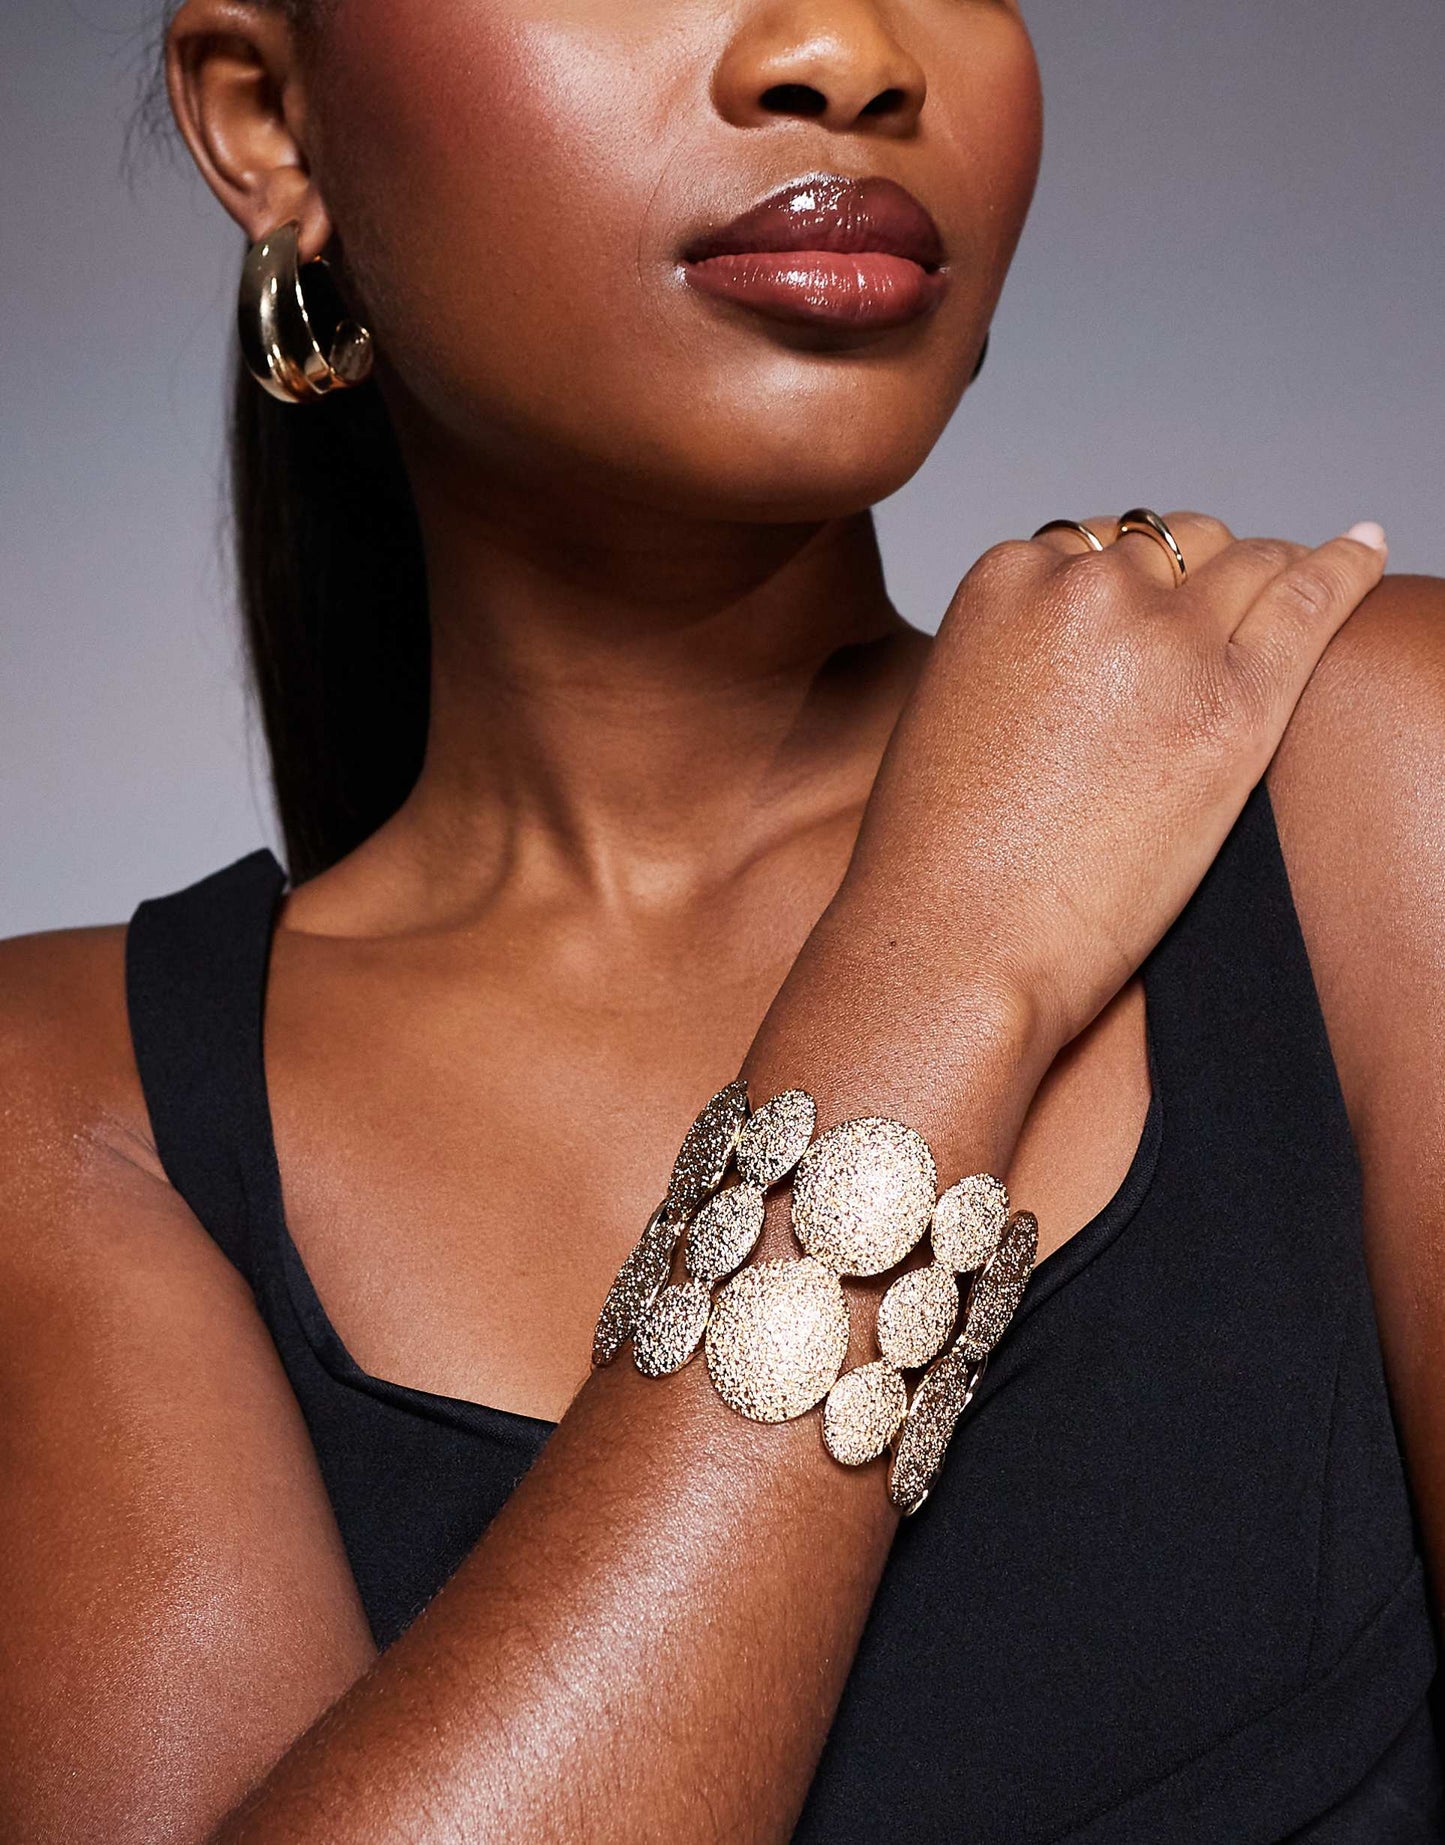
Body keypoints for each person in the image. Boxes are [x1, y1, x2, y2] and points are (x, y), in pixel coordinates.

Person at [3, 1, 1442, 1839]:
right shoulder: (69, 1108)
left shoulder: (1377, 780)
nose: (843, 53)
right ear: (269, 122)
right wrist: (941, 962)